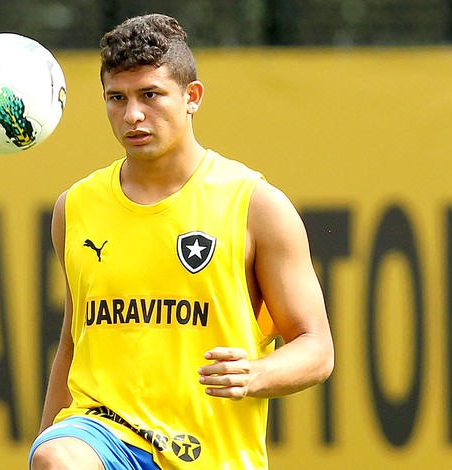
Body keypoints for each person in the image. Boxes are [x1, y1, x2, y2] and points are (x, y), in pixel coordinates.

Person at [29, 13, 334, 470]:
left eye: (150, 95)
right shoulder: (74, 208)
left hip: (212, 454)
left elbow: (316, 347)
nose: (132, 114)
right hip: (101, 430)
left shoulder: (255, 206)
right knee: (59, 458)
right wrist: (45, 439)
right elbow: (74, 343)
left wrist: (256, 374)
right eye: (117, 98)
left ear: (192, 97)